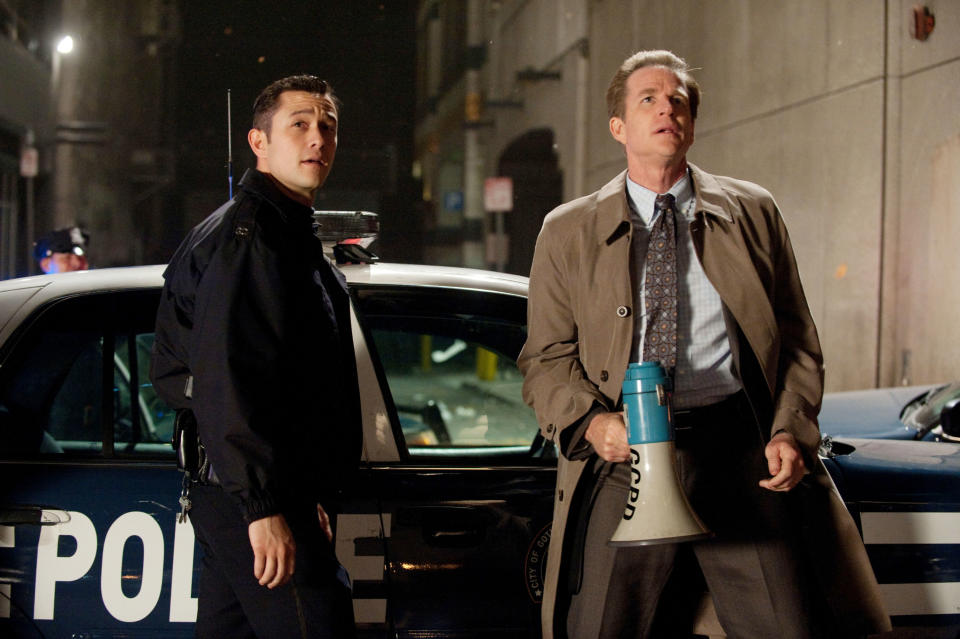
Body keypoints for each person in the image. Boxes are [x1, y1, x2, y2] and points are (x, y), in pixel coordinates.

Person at [518, 50, 891, 639]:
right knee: (602, 626)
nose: (668, 108)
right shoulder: (568, 229)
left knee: (788, 625)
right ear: (618, 126)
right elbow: (544, 361)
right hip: (625, 459)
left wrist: (790, 429)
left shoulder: (752, 213)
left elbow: (797, 341)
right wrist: (591, 424)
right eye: (649, 99)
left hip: (740, 456)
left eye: (680, 100)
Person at [150, 75, 360, 638]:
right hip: (249, 493)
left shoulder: (282, 233)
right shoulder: (252, 240)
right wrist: (264, 505)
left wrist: (298, 491)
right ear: (258, 142)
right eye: (299, 125)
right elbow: (227, 379)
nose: (317, 138)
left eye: (327, 126)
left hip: (250, 490)